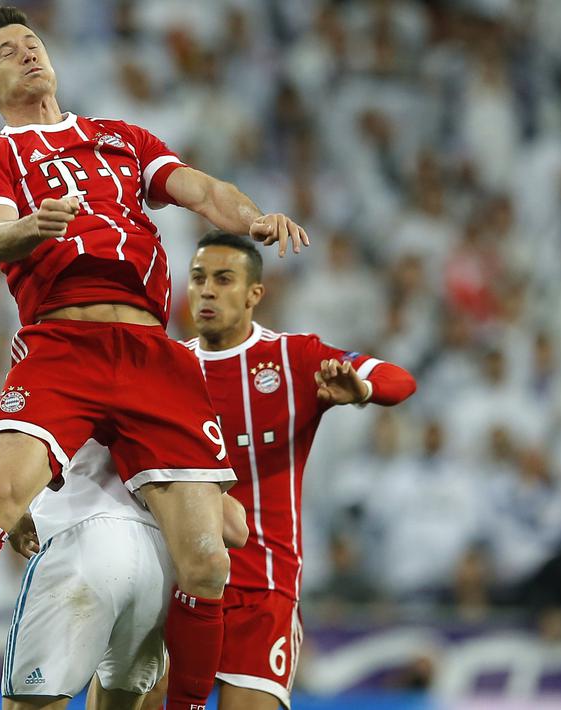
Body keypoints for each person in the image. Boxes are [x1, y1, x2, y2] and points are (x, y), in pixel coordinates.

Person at [0, 8, 309, 710]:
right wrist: (30, 226)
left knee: (207, 559)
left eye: (31, 44)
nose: (27, 55)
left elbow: (199, 189)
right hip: (63, 341)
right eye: (8, 53)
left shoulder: (119, 138)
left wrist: (248, 217)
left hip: (149, 353)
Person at [183, 231, 416, 710]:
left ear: (254, 294)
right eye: (199, 278)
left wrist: (364, 390)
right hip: (179, 583)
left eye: (224, 279)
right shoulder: (170, 368)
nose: (207, 290)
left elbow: (399, 380)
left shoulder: (294, 359)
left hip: (263, 589)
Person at [0, 416, 249, 710]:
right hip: (156, 564)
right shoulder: (175, 400)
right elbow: (235, 529)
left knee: (30, 702)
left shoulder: (46, 376)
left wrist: (12, 518)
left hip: (78, 544)